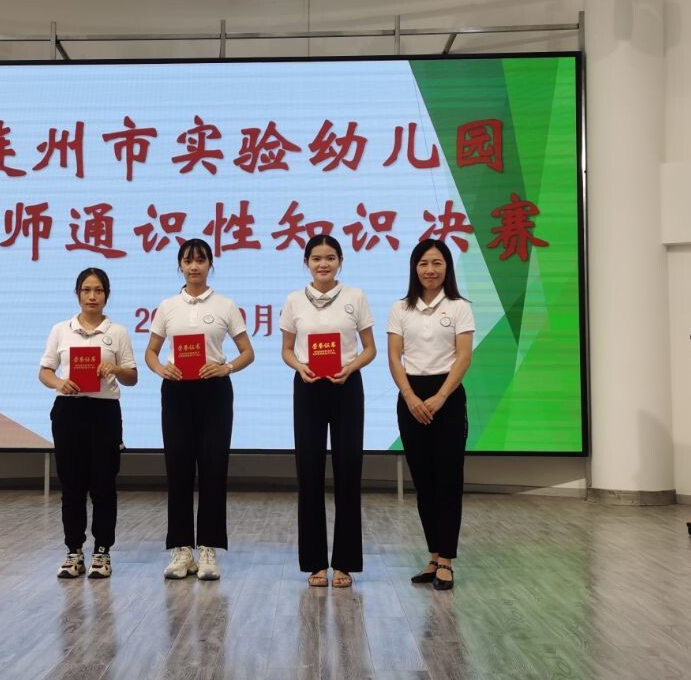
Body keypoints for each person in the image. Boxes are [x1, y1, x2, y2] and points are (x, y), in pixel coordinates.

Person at [145, 238, 255, 581]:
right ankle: (181, 549)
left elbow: (247, 352)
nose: (194, 266)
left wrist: (227, 367)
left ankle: (208, 548)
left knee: (213, 468)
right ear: (180, 265)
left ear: (210, 265)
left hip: (214, 392)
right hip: (177, 391)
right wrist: (161, 369)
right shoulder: (167, 306)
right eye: (188, 260)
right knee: (177, 468)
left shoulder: (225, 305)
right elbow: (151, 352)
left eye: (201, 260)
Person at [279, 234, 376, 588]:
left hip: (346, 386)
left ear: (340, 261)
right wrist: (299, 366)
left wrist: (350, 367)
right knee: (309, 473)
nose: (323, 264)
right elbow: (287, 349)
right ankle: (315, 563)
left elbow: (370, 348)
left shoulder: (356, 297)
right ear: (306, 262)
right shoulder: (294, 300)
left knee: (348, 472)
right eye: (317, 258)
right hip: (308, 387)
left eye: (330, 257)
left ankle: (345, 563)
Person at [386, 238, 475, 591]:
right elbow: (394, 357)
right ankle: (434, 556)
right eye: (423, 263)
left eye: (437, 263)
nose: (430, 270)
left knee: (448, 481)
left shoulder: (459, 307)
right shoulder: (400, 308)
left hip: (447, 397)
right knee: (424, 483)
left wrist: (440, 397)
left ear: (447, 267)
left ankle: (448, 561)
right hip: (411, 398)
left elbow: (463, 357)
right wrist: (409, 396)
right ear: (414, 268)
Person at [38, 267, 138, 579]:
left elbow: (132, 377)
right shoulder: (61, 329)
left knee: (103, 485)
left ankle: (102, 551)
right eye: (86, 290)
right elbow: (45, 371)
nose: (92, 296)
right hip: (69, 411)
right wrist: (60, 382)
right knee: (72, 486)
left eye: (98, 290)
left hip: (104, 413)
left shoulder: (118, 332)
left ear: (107, 295)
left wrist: (115, 369)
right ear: (77, 293)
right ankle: (74, 551)